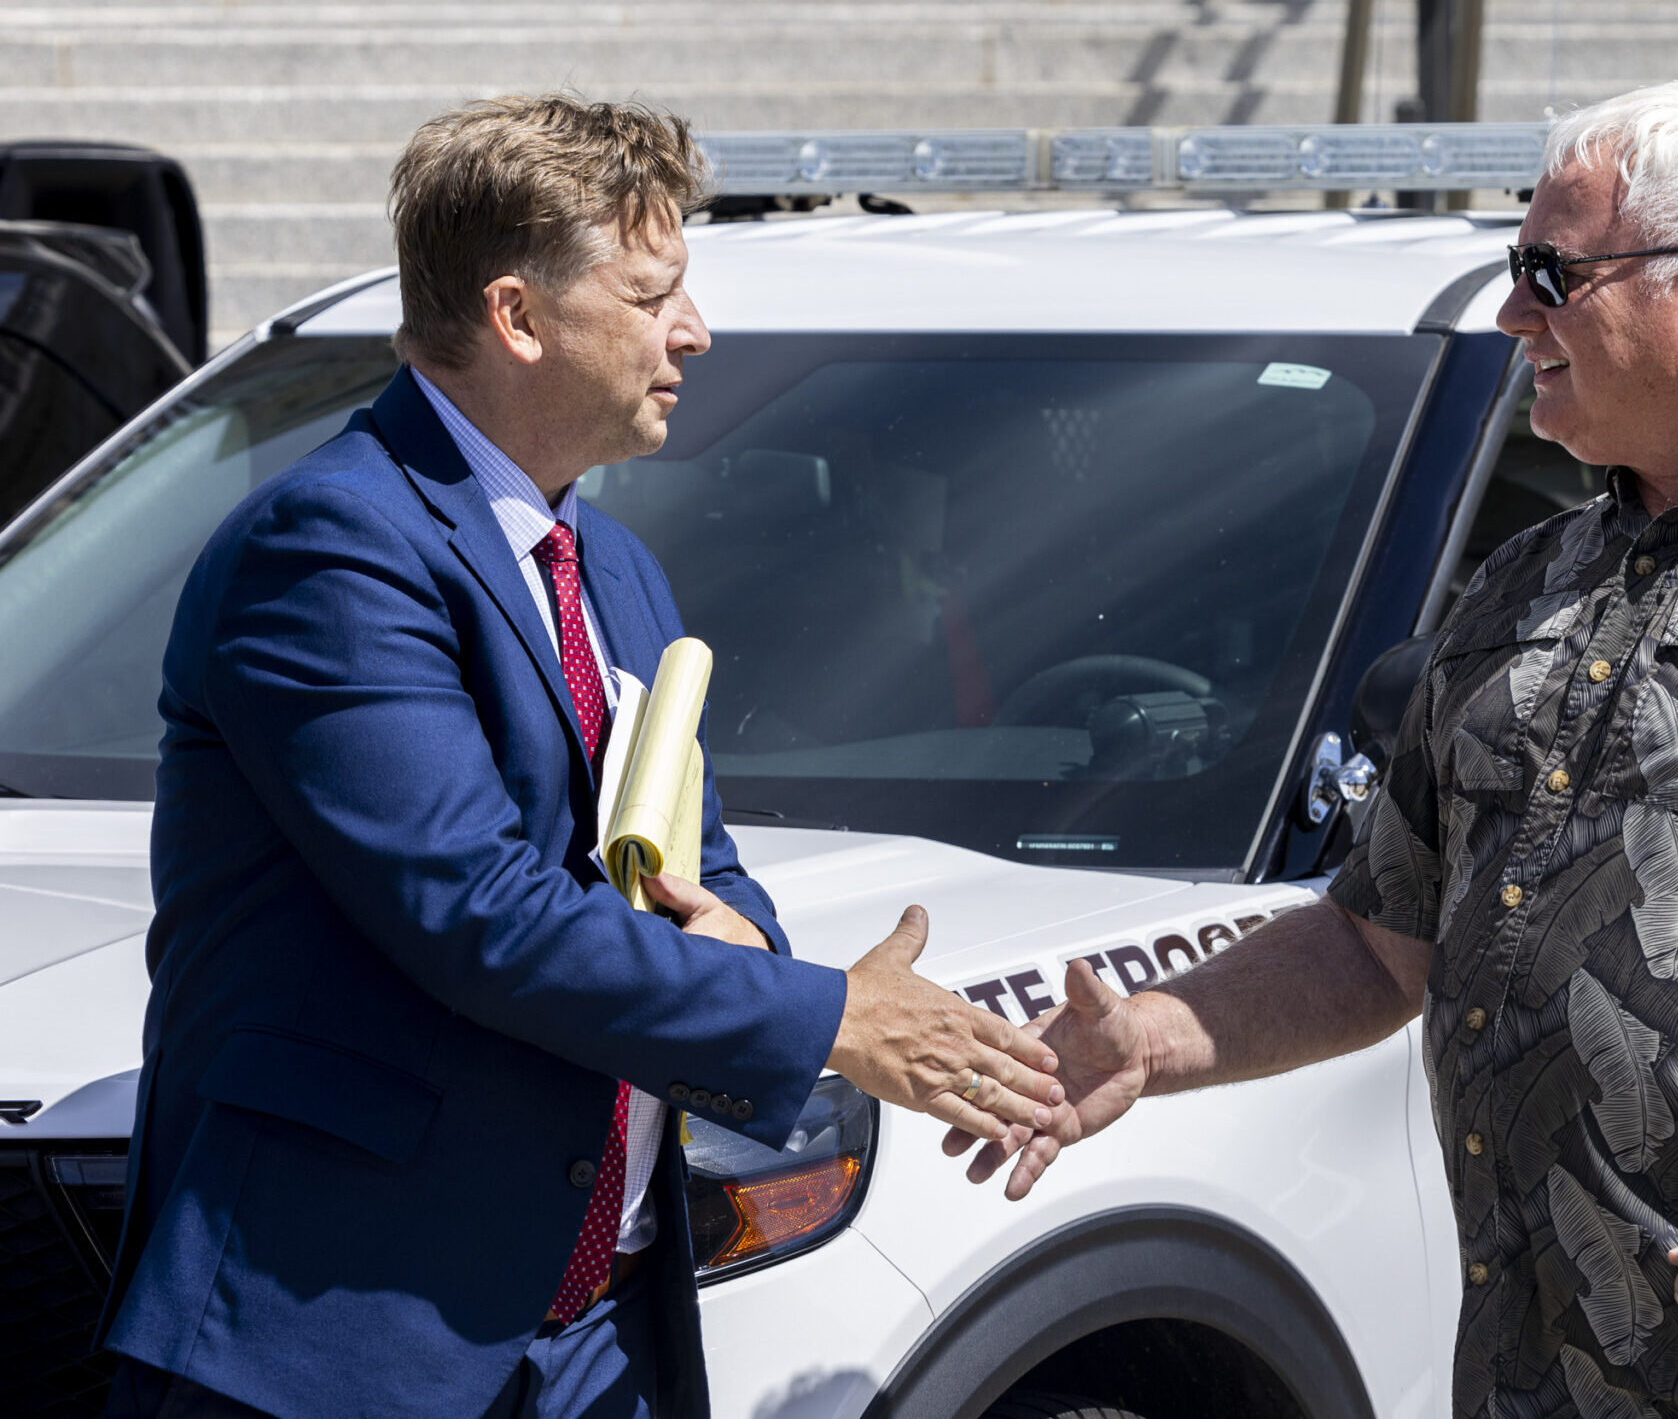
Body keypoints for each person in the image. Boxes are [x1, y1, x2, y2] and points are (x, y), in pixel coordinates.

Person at [946, 78, 1678, 1419]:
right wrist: (1162, 1031)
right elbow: (1377, 937)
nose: (1517, 311)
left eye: (1551, 273)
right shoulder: (1517, 588)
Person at [101, 95, 1061, 1419]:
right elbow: (483, 915)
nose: (695, 331)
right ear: (518, 317)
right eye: (655, 292)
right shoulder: (331, 548)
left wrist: (752, 942)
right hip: (346, 1342)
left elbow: (695, 863)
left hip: (604, 1334)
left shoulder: (611, 565)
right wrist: (832, 1017)